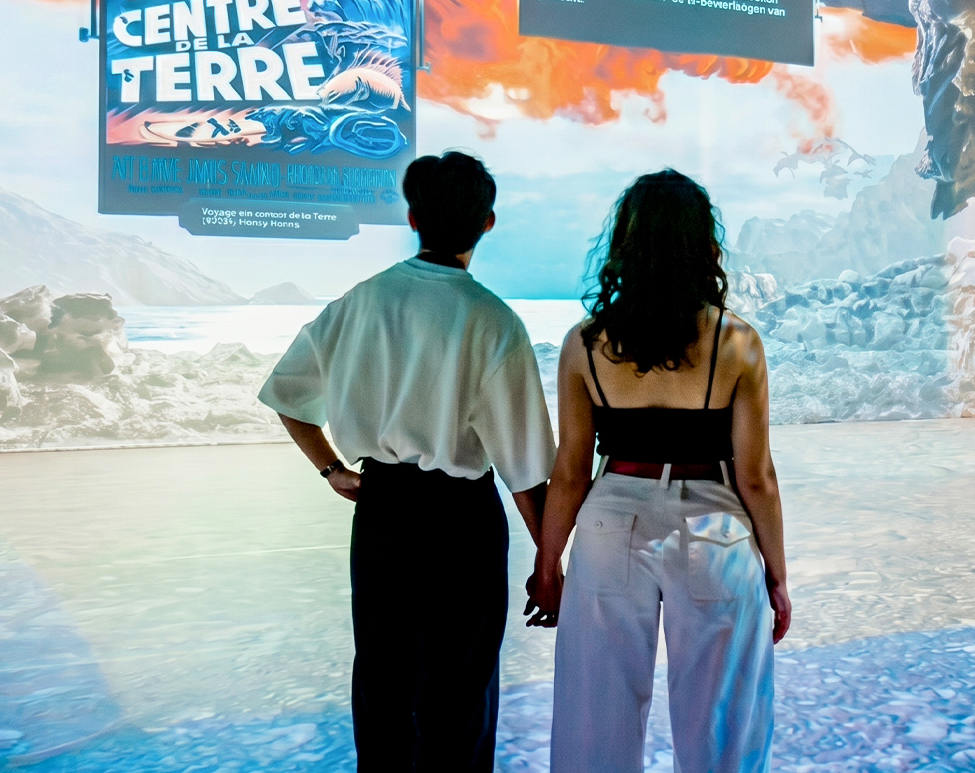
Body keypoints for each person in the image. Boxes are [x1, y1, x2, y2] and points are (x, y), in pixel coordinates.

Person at [258, 151, 558, 773]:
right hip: (460, 519)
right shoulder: (493, 322)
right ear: (489, 223)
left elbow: (287, 395)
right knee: (459, 687)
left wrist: (332, 470)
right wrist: (550, 562)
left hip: (382, 511)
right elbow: (525, 470)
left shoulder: (361, 302)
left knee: (383, 681)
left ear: (413, 216)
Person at [529, 169, 792, 773]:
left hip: (609, 520)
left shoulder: (585, 342)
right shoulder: (738, 342)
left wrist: (548, 566)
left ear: (626, 243)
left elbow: (570, 473)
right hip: (713, 531)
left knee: (595, 718)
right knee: (723, 722)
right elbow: (756, 478)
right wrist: (776, 575)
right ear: (703, 244)